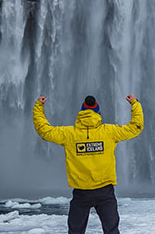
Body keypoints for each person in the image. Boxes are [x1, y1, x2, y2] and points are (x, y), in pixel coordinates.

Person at [33, 94, 144, 234]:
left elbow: (44, 130)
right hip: (105, 191)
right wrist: (135, 104)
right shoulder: (110, 132)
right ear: (97, 112)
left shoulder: (69, 134)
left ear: (81, 112)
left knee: (75, 231)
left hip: (81, 192)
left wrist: (39, 106)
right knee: (112, 231)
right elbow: (136, 127)